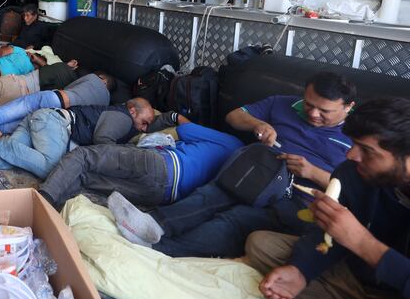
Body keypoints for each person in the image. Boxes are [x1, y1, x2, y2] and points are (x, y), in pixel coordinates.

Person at [107, 72, 356, 258]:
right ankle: (150, 224)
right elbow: (234, 116)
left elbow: (358, 191)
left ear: (348, 107)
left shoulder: (358, 137)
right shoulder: (284, 103)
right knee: (211, 194)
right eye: (309, 104)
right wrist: (258, 125)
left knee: (236, 219)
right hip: (259, 173)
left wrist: (312, 172)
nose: (312, 114)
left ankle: (162, 249)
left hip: (299, 198)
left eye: (324, 111)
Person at [247, 98, 410, 299]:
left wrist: (361, 242)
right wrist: (302, 270)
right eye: (354, 143)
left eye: (367, 151)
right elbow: (325, 236)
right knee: (262, 244)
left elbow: (357, 242)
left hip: (401, 296)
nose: (351, 155)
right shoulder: (352, 172)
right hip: (355, 278)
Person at [39, 118, 245, 214]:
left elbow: (186, 130)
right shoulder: (241, 178)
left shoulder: (232, 142)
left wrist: (171, 118)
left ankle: (40, 202)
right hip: (161, 196)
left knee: (83, 155)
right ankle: (49, 216)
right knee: (85, 178)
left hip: (161, 164)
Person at [0, 97, 156, 179]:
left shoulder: (119, 116)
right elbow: (103, 141)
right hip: (53, 124)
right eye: (144, 122)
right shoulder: (123, 118)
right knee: (51, 168)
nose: (144, 129)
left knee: (9, 158)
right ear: (132, 110)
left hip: (43, 121)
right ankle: (0, 141)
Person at [0, 72, 115, 137]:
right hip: (55, 116)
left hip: (52, 99)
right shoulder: (105, 103)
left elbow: (68, 89)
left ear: (103, 79)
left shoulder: (93, 78)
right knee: (5, 127)